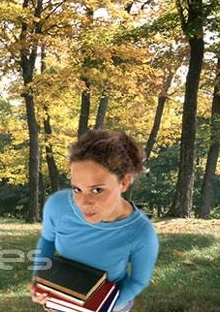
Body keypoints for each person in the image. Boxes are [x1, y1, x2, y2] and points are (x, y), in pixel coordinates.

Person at [30, 130, 159, 312]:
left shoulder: (141, 232)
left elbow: (138, 280)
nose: (84, 202)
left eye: (97, 190)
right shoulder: (57, 206)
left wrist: (103, 307)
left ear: (124, 182)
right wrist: (41, 281)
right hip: (62, 298)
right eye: (77, 189)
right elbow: (47, 240)